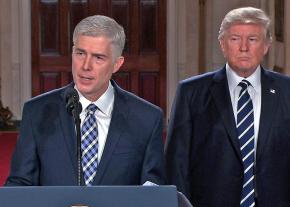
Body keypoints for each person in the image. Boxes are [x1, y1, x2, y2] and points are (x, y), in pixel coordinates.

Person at [6, 15, 165, 186]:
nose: (85, 66)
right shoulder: (37, 112)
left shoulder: (147, 118)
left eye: (98, 57)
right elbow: (19, 186)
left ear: (116, 64)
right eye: (80, 53)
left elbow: (154, 193)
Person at [165, 7, 290, 206]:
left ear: (266, 46)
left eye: (252, 39)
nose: (243, 47)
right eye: (234, 39)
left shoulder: (287, 91)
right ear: (222, 44)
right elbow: (176, 165)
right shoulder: (191, 92)